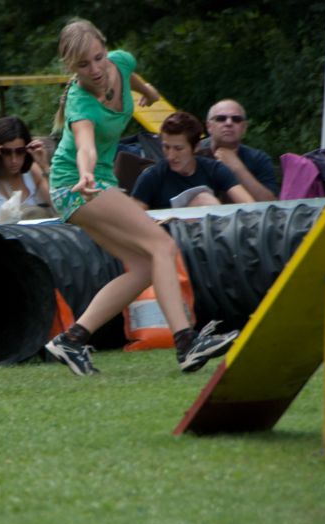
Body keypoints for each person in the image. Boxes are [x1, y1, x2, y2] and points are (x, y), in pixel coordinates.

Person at [45, 19, 239, 376]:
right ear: (71, 69)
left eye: (98, 58)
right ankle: (186, 342)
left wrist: (148, 93)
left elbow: (132, 75)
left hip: (96, 183)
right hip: (77, 184)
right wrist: (86, 172)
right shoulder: (80, 102)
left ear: (106, 49)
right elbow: (85, 145)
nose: (95, 70)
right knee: (162, 247)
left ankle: (72, 339)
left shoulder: (120, 61)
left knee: (145, 267)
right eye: (83, 66)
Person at [132, 111, 254, 210]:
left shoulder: (214, 170)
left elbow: (250, 206)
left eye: (178, 149)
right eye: (166, 147)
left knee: (205, 199)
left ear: (196, 147)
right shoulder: (152, 176)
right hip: (167, 236)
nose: (171, 156)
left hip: (209, 233)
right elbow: (132, 221)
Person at [197, 99, 278, 201]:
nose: (229, 123)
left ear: (244, 127)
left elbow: (271, 204)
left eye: (236, 119)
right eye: (221, 118)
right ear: (209, 126)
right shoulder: (193, 154)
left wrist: (237, 168)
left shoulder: (259, 159)